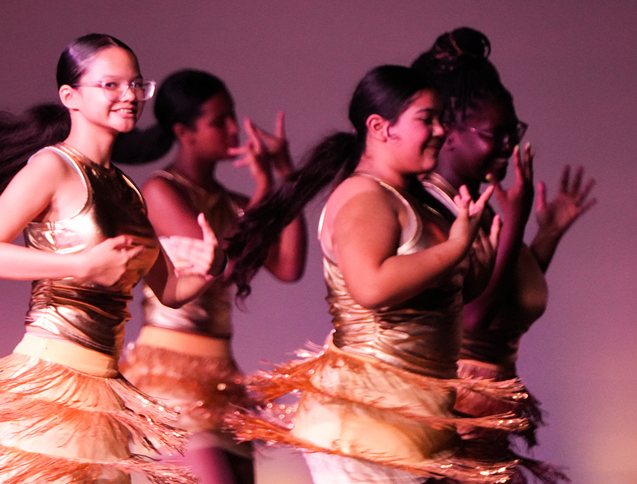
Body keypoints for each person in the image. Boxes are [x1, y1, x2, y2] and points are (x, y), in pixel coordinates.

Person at [0, 34, 227, 484]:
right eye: (111, 85)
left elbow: (171, 291)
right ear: (70, 97)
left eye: (137, 85)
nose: (129, 97)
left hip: (102, 384)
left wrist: (211, 266)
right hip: (52, 374)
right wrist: (79, 265)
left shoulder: (128, 191)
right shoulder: (53, 167)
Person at [225, 65, 526, 484]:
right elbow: (371, 286)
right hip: (365, 423)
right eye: (427, 119)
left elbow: (435, 295)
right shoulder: (364, 196)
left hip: (415, 417)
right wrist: (455, 249)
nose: (440, 130)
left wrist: (472, 269)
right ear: (380, 127)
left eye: (441, 118)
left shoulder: (416, 200)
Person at [413, 27, 596, 483]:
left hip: (487, 419)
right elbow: (472, 319)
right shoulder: (432, 211)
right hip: (455, 421)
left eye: (514, 132)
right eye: (495, 133)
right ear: (449, 132)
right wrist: (514, 227)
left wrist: (547, 234)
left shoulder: (479, 208)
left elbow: (502, 295)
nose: (509, 146)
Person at [117, 69, 307, 484]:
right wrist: (261, 190)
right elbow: (219, 266)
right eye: (218, 120)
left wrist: (287, 178)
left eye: (231, 115)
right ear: (184, 132)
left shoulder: (235, 205)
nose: (231, 128)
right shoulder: (160, 191)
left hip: (221, 376)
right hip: (169, 376)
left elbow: (289, 266)